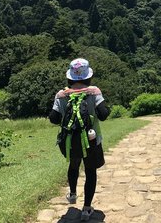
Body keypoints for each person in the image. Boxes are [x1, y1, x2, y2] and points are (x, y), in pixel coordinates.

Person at [49, 58, 109, 221]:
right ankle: (87, 209)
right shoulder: (94, 92)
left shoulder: (61, 95)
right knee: (90, 171)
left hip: (70, 141)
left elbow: (53, 118)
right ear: (88, 76)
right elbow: (103, 115)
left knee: (73, 165)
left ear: (70, 77)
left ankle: (73, 194)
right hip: (91, 140)